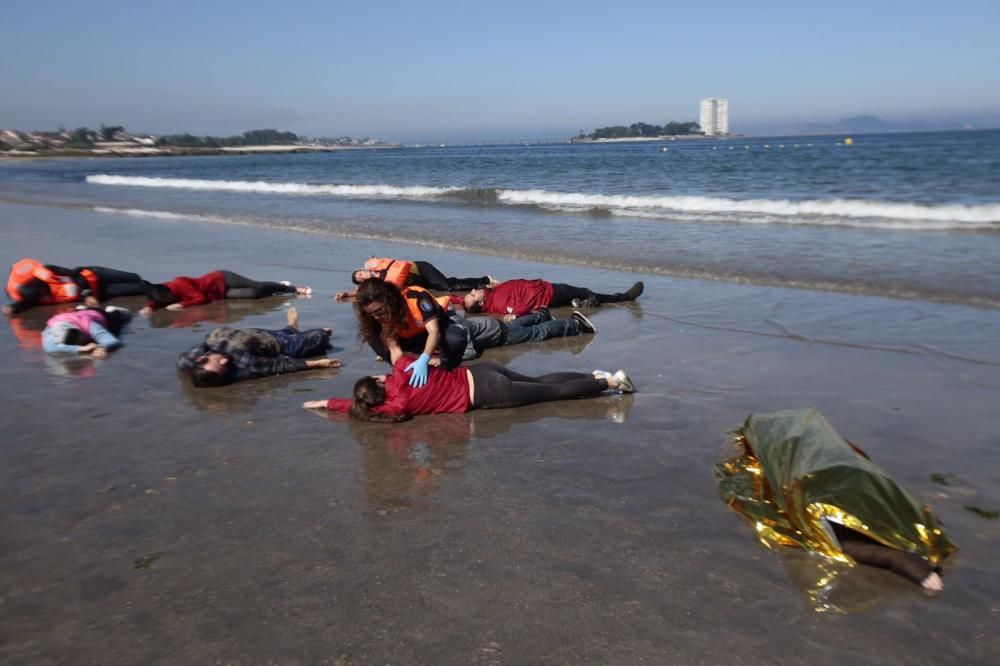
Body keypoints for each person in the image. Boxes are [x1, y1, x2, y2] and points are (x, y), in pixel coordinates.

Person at [716, 408, 956, 592]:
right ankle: (903, 544)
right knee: (848, 497)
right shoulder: (779, 427)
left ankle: (901, 547)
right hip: (833, 479)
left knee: (829, 494)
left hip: (824, 480)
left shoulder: (768, 429)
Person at [303, 339, 635, 421]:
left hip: (487, 393)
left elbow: (358, 408)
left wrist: (327, 404)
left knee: (552, 393)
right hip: (481, 371)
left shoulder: (396, 405)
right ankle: (597, 376)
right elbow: (394, 351)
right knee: (543, 379)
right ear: (377, 381)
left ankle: (612, 383)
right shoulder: (402, 371)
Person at [177, 306, 341, 387]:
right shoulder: (244, 362)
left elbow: (186, 362)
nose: (224, 363)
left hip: (255, 334)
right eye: (223, 368)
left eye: (218, 362)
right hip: (278, 346)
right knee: (321, 336)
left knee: (284, 333)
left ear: (202, 358)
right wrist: (317, 364)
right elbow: (280, 366)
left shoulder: (189, 361)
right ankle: (294, 331)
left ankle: (291, 328)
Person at [354, 277, 469, 386]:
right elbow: (394, 349)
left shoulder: (416, 297)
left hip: (431, 333)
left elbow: (434, 332)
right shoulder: (376, 317)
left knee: (455, 338)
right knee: (371, 335)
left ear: (389, 300)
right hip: (407, 339)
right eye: (371, 313)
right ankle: (407, 370)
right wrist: (400, 375)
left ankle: (446, 370)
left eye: (379, 311)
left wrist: (424, 359)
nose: (376, 317)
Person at [4, 257, 147, 316]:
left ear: (40, 283)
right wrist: (12, 308)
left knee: (135, 277)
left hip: (94, 274)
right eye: (40, 296)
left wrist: (87, 294)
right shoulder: (33, 297)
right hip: (103, 292)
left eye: (42, 292)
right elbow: (22, 304)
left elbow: (74, 274)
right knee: (139, 288)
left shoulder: (49, 270)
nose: (44, 296)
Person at [453, 278, 644, 320]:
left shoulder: (492, 295)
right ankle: (623, 297)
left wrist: (452, 299)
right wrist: (514, 315)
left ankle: (577, 304)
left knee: (576, 296)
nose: (472, 290)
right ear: (481, 303)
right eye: (472, 294)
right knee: (585, 290)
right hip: (549, 293)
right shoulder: (499, 302)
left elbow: (460, 300)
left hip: (547, 291)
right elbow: (521, 307)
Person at [140, 270, 310, 315]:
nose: (167, 301)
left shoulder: (179, 283)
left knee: (257, 285)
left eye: (167, 299)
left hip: (222, 278)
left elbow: (201, 298)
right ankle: (276, 290)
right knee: (254, 295)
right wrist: (149, 306)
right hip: (220, 294)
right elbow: (157, 299)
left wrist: (183, 304)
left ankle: (290, 288)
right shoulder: (162, 290)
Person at [460, 308, 597, 361]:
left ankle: (576, 324)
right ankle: (543, 315)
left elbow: (470, 352)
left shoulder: (454, 331)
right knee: (519, 324)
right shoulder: (448, 320)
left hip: (501, 335)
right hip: (494, 325)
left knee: (538, 332)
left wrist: (445, 358)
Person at [335, 257, 494, 301]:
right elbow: (361, 293)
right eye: (359, 279)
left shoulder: (380, 265)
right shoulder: (377, 285)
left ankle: (484, 280)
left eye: (360, 274)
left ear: (364, 270)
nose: (361, 277)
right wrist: (346, 294)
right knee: (449, 284)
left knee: (447, 287)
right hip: (420, 282)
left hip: (422, 269)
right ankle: (483, 281)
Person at [42, 306, 133, 358]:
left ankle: (114, 311)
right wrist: (80, 349)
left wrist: (102, 347)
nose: (78, 342)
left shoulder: (89, 325)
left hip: (98, 315)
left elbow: (112, 341)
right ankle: (82, 309)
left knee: (117, 327)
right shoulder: (51, 328)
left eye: (77, 337)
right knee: (80, 312)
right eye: (72, 342)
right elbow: (50, 348)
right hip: (75, 314)